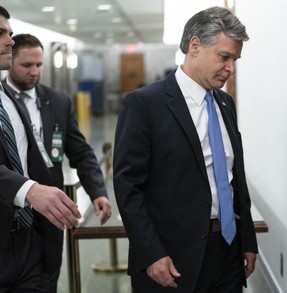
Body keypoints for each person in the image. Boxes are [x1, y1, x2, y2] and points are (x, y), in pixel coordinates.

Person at [113, 6, 258, 293]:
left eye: (235, 59)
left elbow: (234, 180)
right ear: (195, 46)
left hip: (227, 253)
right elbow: (128, 187)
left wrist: (248, 241)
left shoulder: (225, 104)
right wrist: (151, 253)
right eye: (225, 57)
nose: (231, 68)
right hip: (170, 258)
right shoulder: (145, 104)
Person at [4, 33, 112, 293]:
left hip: (50, 214)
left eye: (39, 65)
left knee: (47, 279)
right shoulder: (3, 103)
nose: (34, 72)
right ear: (10, 62)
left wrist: (97, 190)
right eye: (26, 65)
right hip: (10, 214)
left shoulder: (58, 102)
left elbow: (81, 152)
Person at [0, 6, 81, 292]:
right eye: (1, 33)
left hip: (26, 241)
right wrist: (29, 190)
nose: (10, 40)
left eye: (10, 33)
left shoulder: (9, 101)